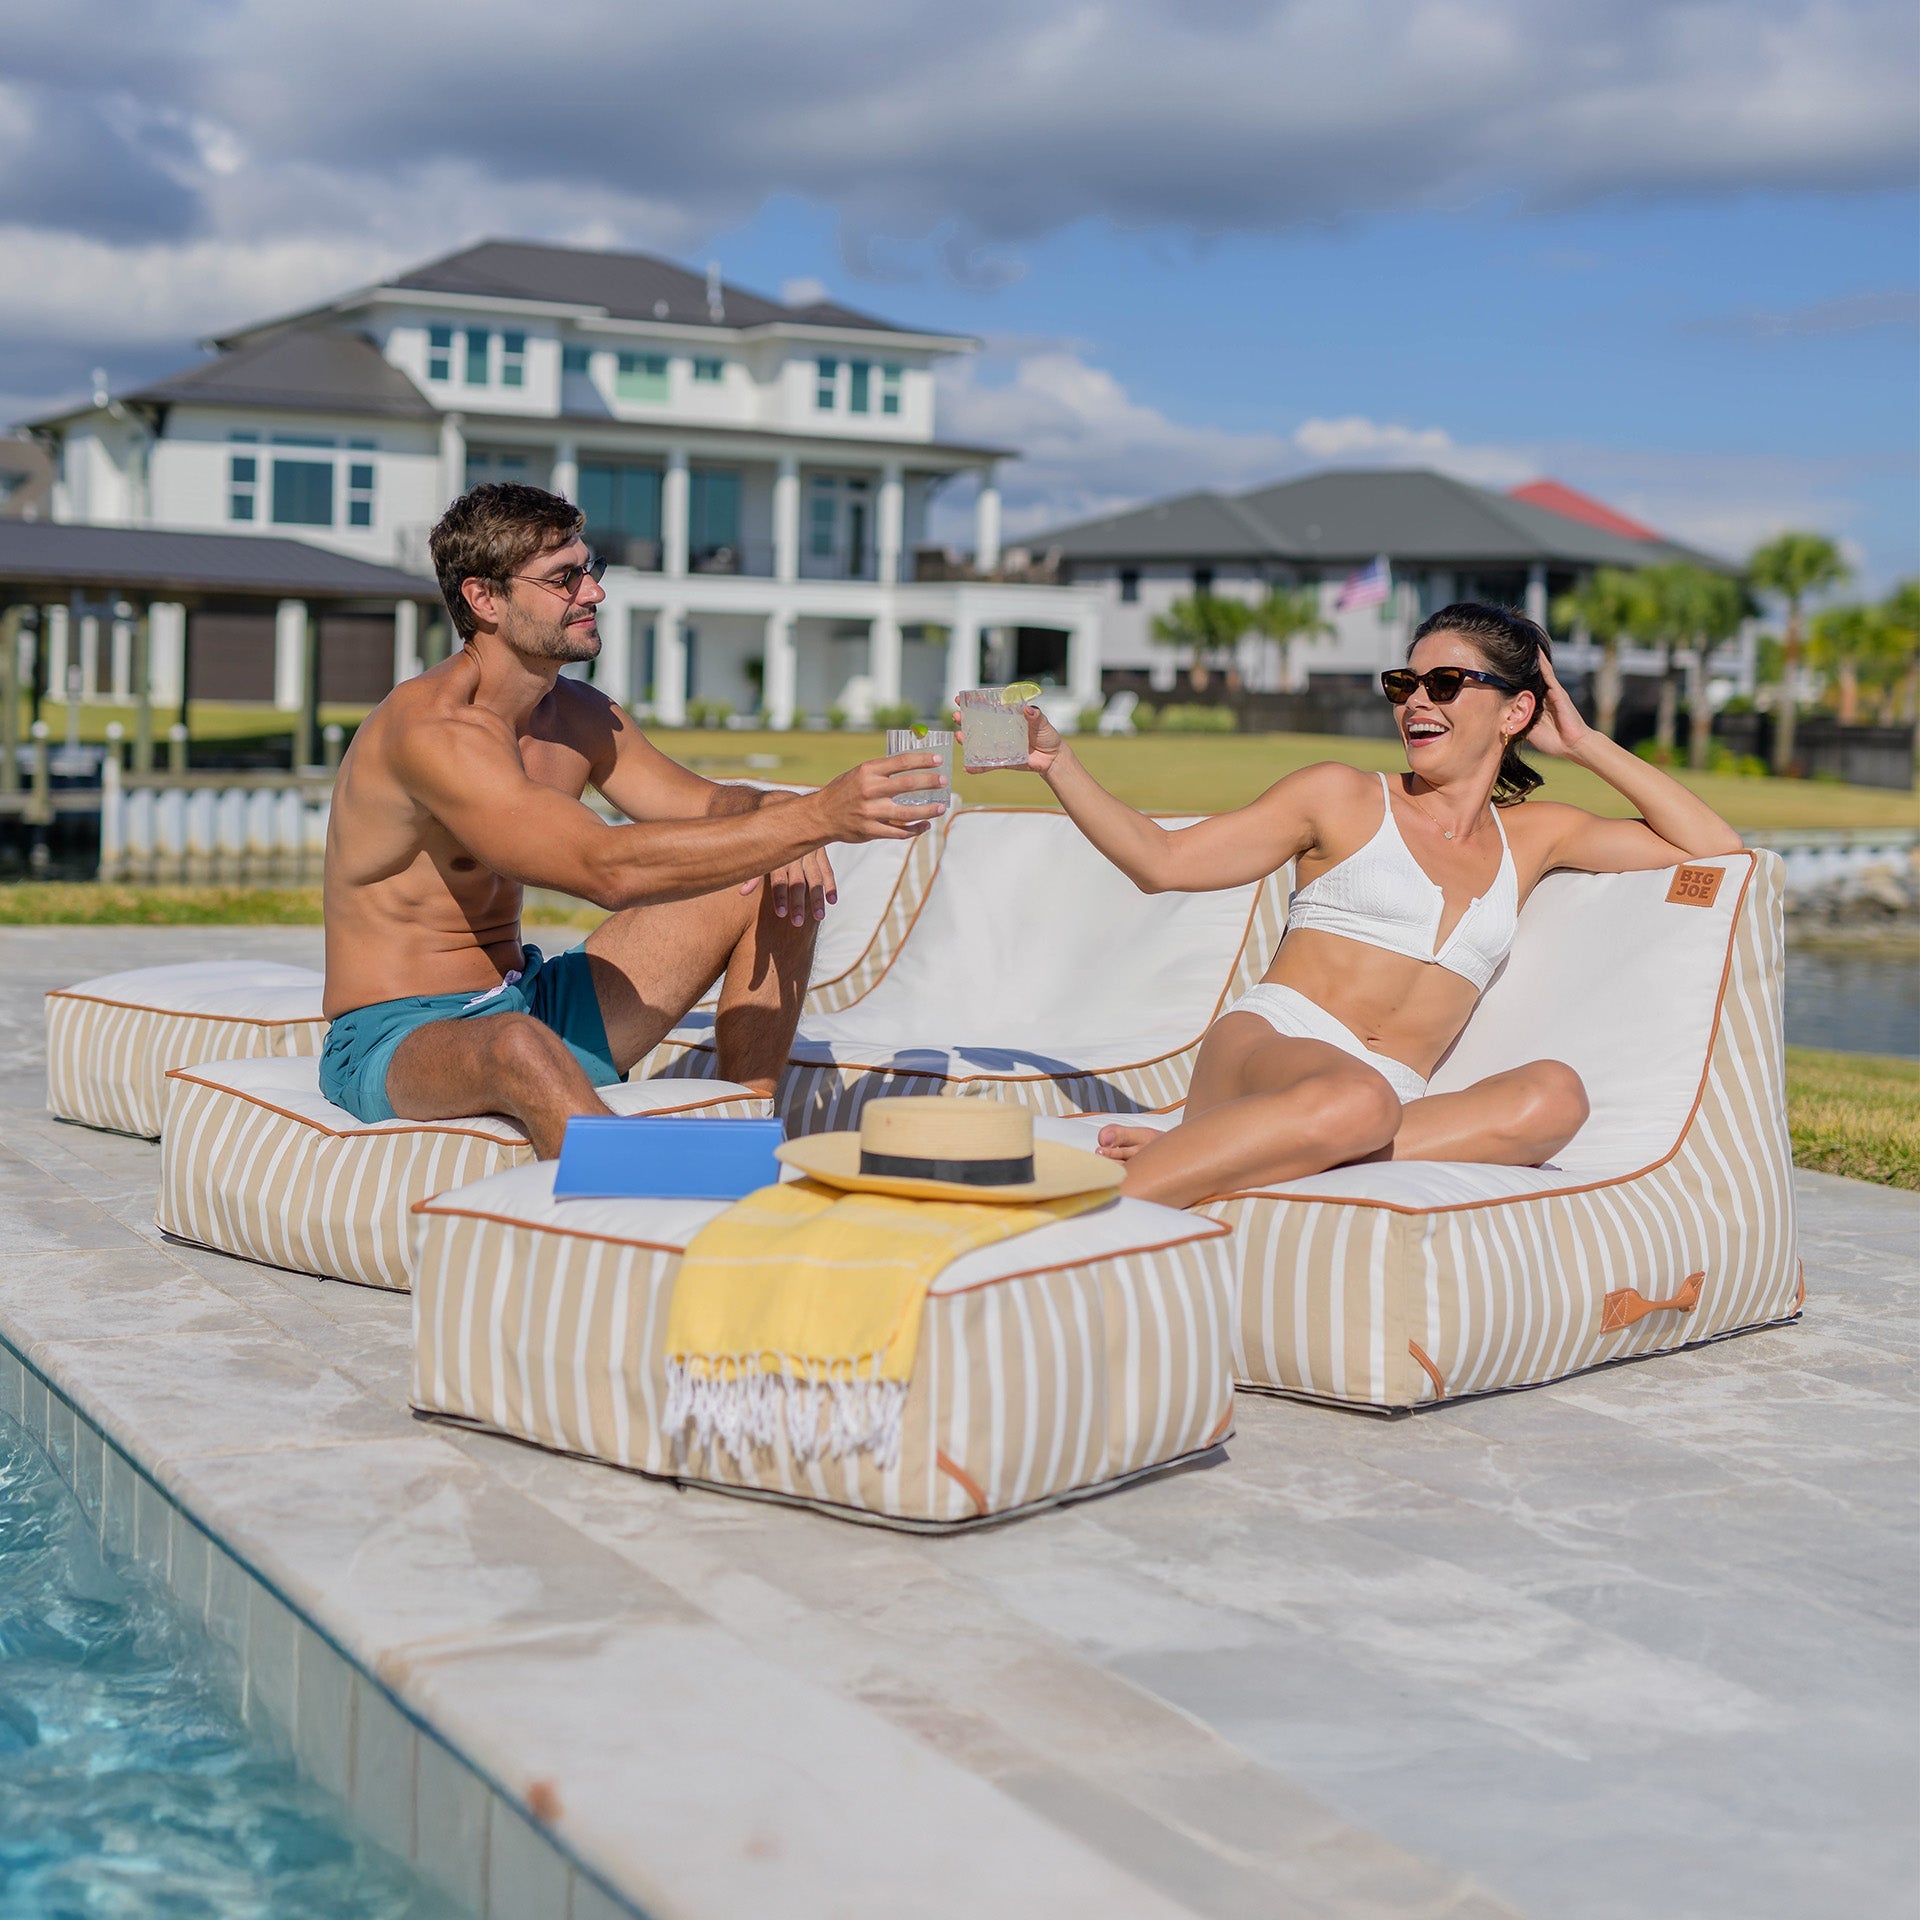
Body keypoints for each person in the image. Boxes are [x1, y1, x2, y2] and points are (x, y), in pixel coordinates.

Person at [972, 603, 1743, 1209]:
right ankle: (1081, 1221)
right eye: (1405, 685)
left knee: (1553, 1099)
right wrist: (1056, 761)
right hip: (1272, 1049)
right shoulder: (1341, 796)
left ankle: (1233, 1151)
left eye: (1446, 684)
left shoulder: (1537, 837)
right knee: (1355, 1100)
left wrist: (1581, 742)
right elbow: (1160, 863)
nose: (1416, 702)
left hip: (1387, 1103)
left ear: (1515, 714)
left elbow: (1713, 846)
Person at [320, 483, 946, 1155]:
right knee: (516, 1045)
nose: (593, 593)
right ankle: (638, 1179)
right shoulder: (434, 731)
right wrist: (818, 816)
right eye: (563, 579)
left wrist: (777, 813)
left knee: (770, 868)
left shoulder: (578, 715)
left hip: (530, 997)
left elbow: (709, 804)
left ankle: (748, 1128)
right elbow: (604, 870)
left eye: (590, 569)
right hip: (396, 1035)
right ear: (484, 599)